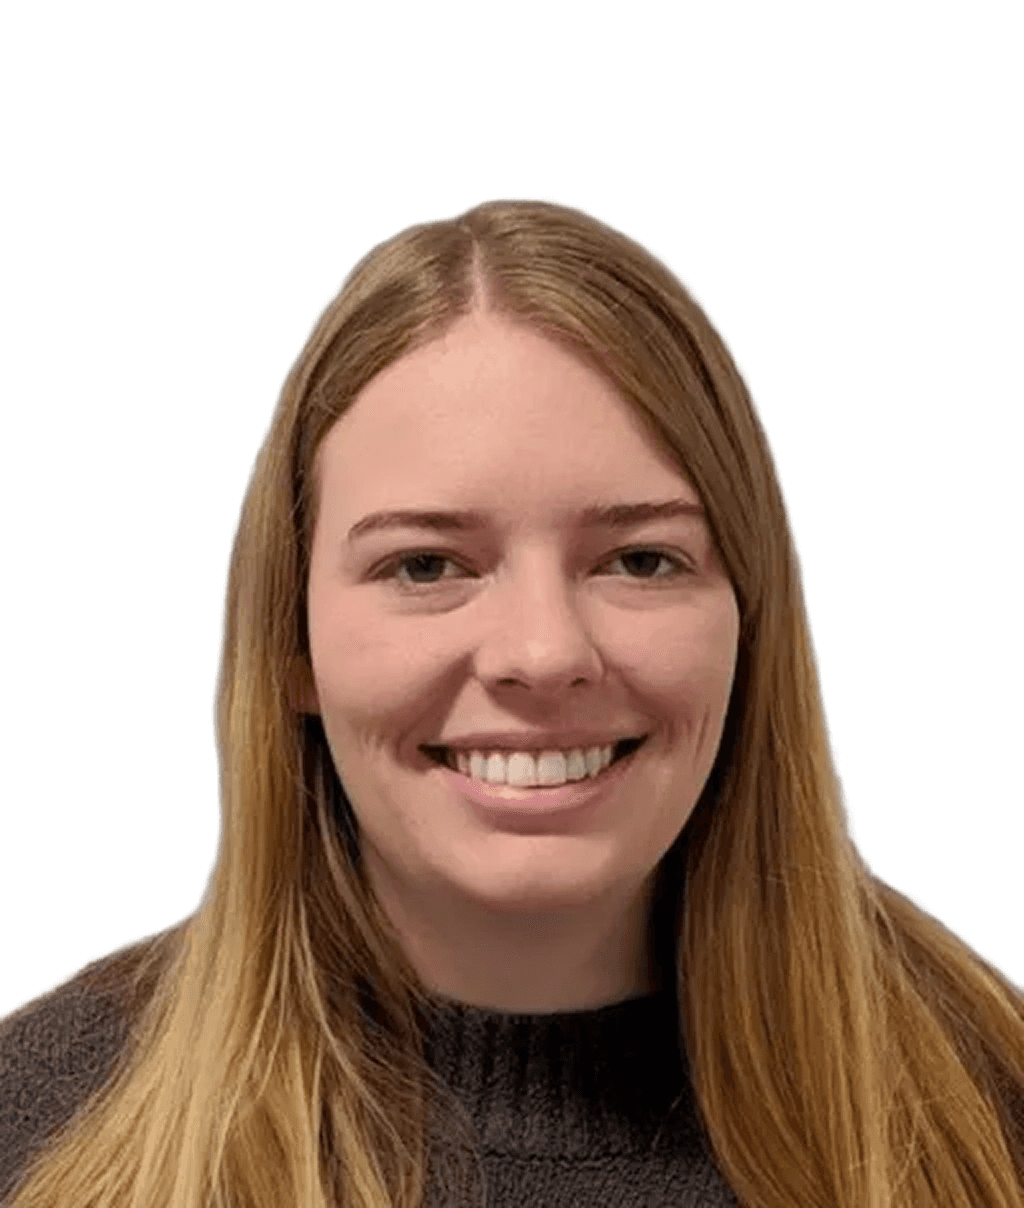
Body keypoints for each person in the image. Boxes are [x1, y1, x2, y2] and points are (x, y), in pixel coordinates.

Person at [1, 200, 1021, 1208]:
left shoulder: (991, 1104)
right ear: (291, 643)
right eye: (426, 563)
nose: (542, 652)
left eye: (639, 558)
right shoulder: (41, 1124)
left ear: (749, 624)